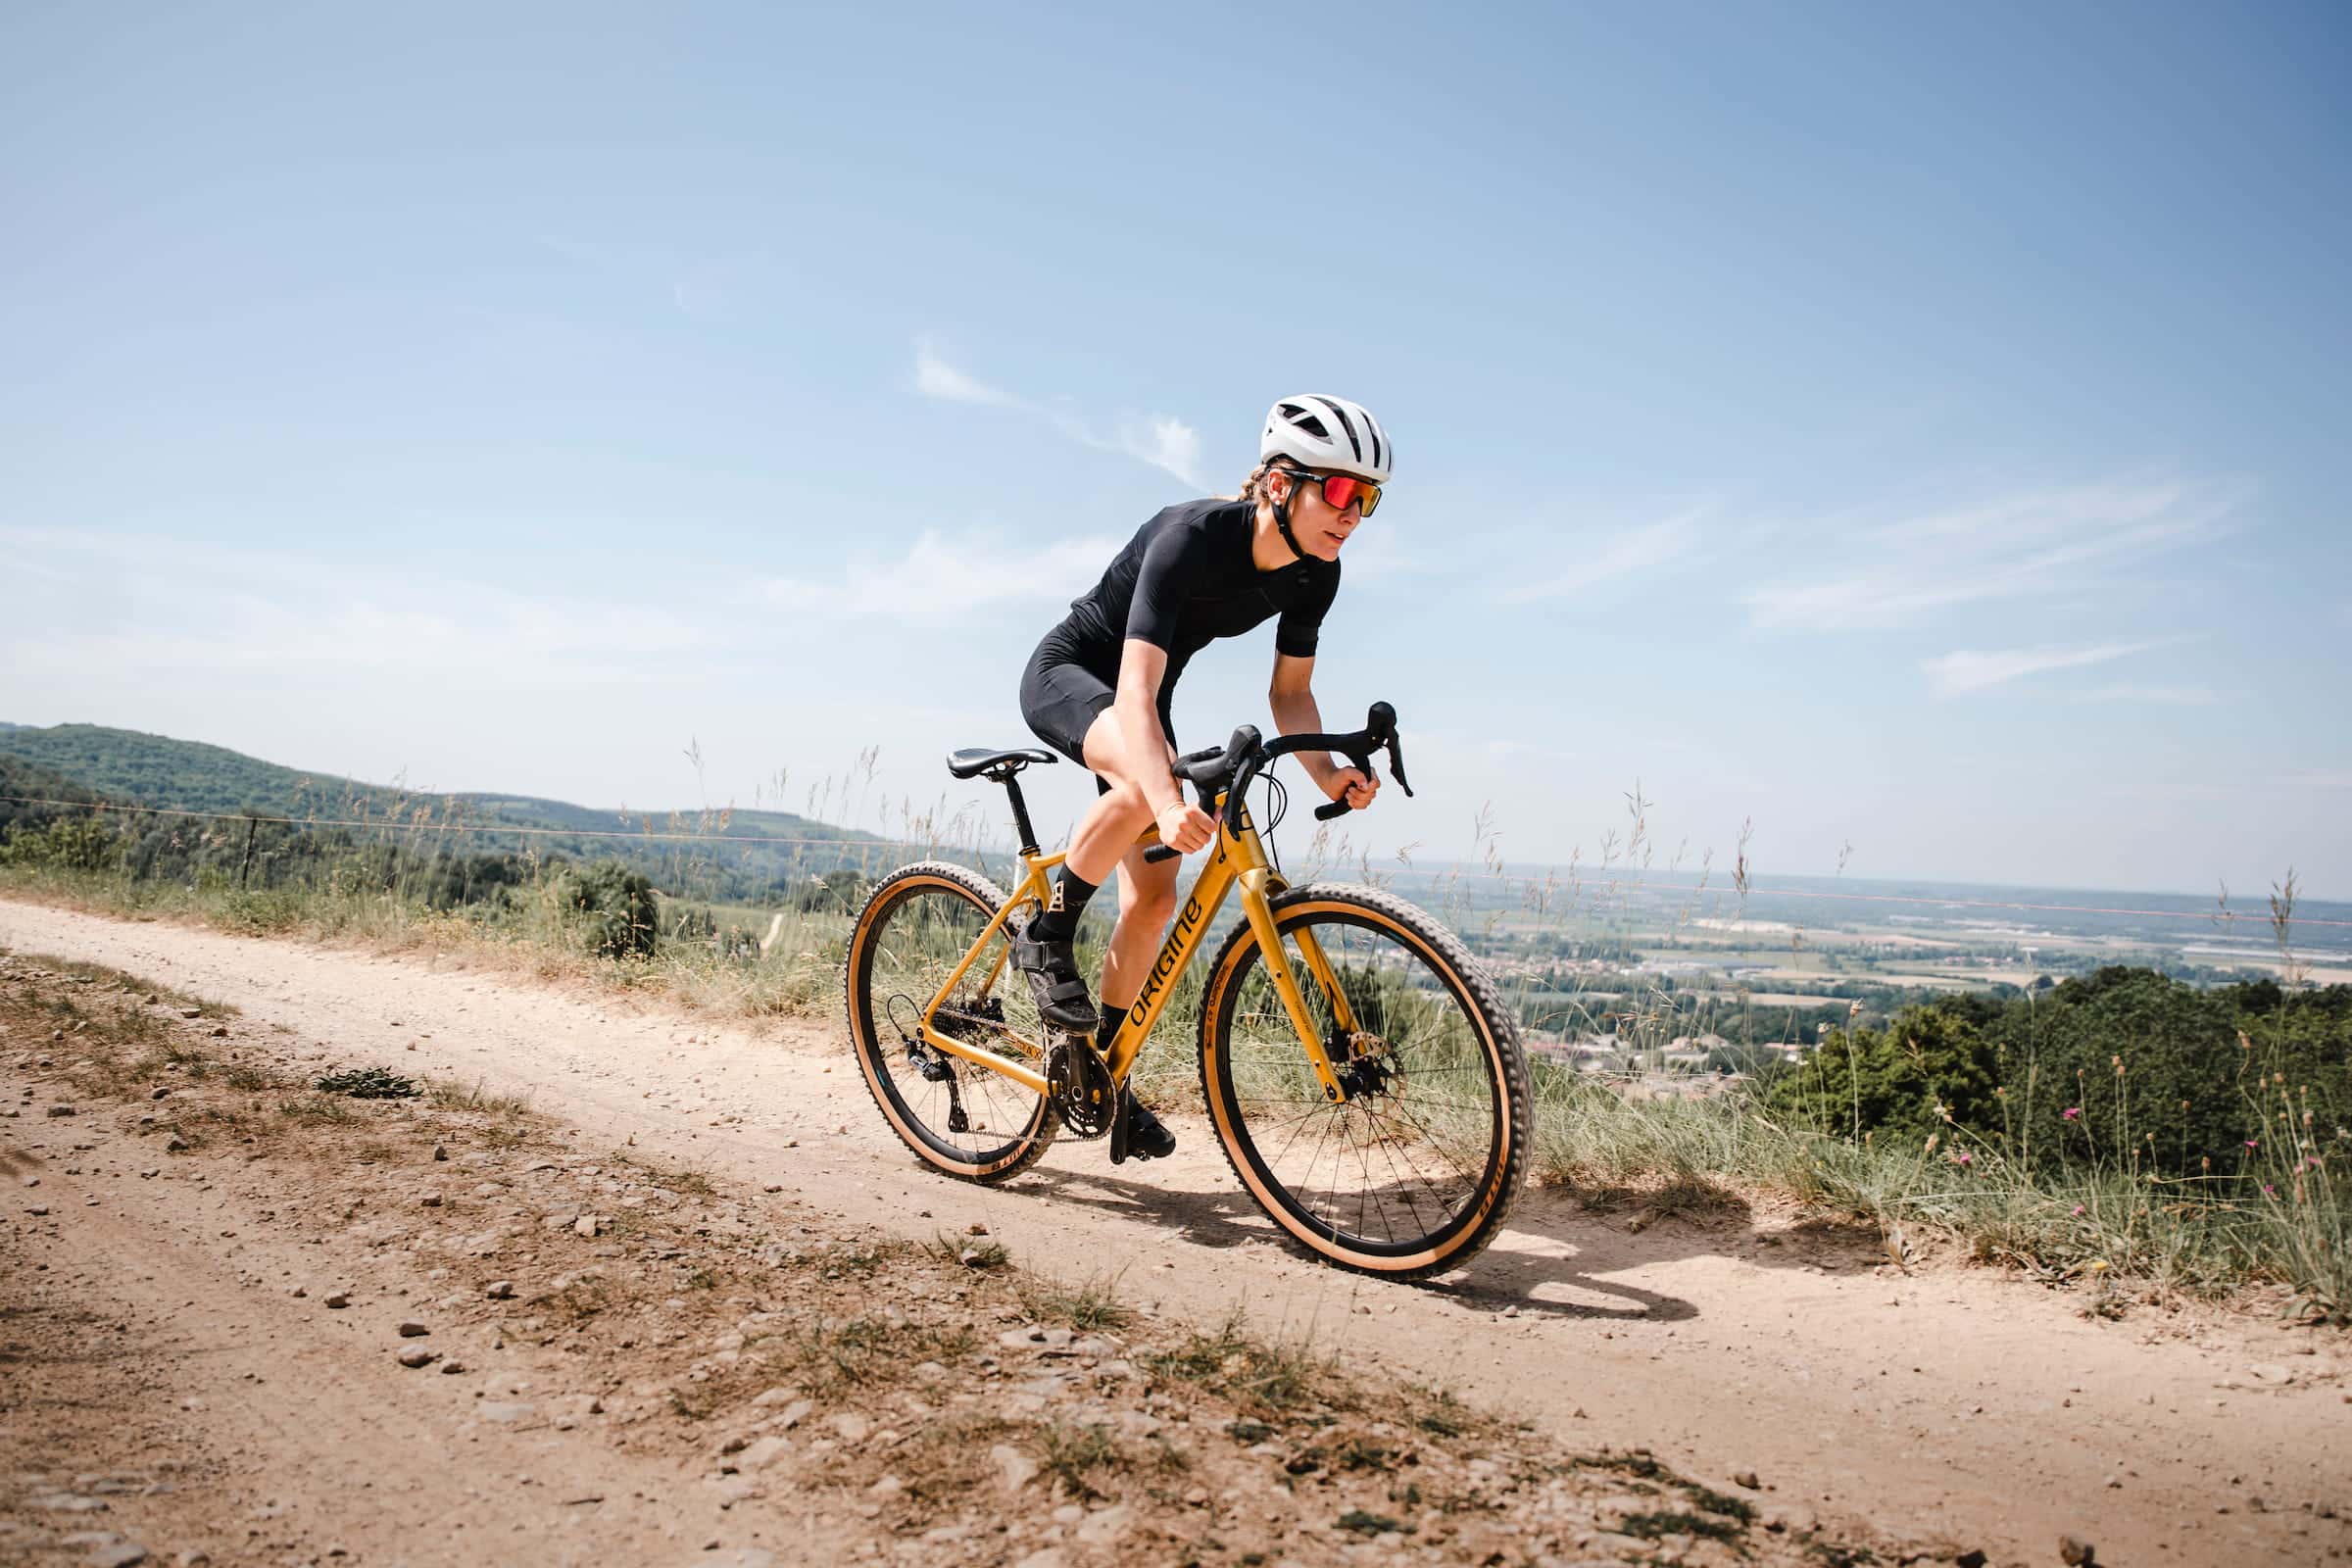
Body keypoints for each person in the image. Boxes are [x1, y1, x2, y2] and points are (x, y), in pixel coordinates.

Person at [1013, 394, 1390, 1159]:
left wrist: (1326, 776)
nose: (1354, 514)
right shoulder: (1189, 538)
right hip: (1080, 676)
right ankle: (1046, 933)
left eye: (1369, 497)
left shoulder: (1317, 572)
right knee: (1144, 788)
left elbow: (1289, 694)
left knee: (1153, 901)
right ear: (1280, 484)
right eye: (1343, 491)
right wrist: (1164, 795)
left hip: (1144, 701)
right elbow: (1133, 694)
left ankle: (1098, 1076)